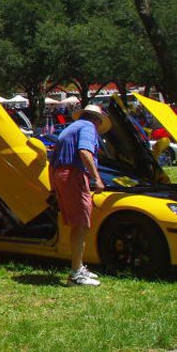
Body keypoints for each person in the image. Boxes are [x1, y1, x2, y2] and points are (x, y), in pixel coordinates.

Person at [49, 104, 112, 287]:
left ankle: (79, 267)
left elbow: (52, 165)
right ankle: (76, 275)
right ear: (97, 120)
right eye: (100, 124)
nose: (98, 128)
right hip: (74, 175)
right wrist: (97, 179)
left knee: (78, 224)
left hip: (62, 176)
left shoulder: (70, 128)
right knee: (81, 225)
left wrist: (53, 189)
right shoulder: (88, 127)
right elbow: (84, 152)